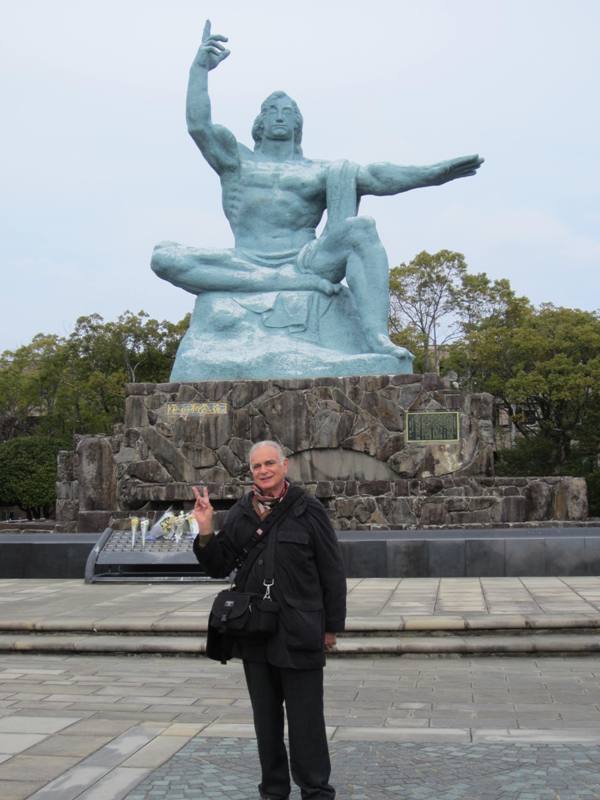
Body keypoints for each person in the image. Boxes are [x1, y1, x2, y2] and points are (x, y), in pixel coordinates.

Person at [152, 20, 483, 361]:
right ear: (259, 124)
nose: (280, 116)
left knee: (361, 230)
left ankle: (376, 337)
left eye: (288, 112)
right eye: (271, 111)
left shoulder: (321, 171)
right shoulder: (237, 161)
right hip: (244, 258)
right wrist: (199, 70)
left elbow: (377, 176)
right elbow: (199, 126)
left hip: (305, 261)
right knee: (164, 257)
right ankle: (277, 284)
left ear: (298, 125)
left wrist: (432, 174)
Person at [192, 440, 346, 800]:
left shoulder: (309, 510)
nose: (263, 471)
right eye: (256, 466)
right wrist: (205, 530)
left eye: (269, 464)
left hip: (300, 630)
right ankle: (274, 791)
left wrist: (331, 627)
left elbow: (332, 571)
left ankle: (316, 790)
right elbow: (218, 566)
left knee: (307, 720)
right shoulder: (241, 513)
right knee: (266, 721)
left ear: (284, 465)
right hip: (256, 632)